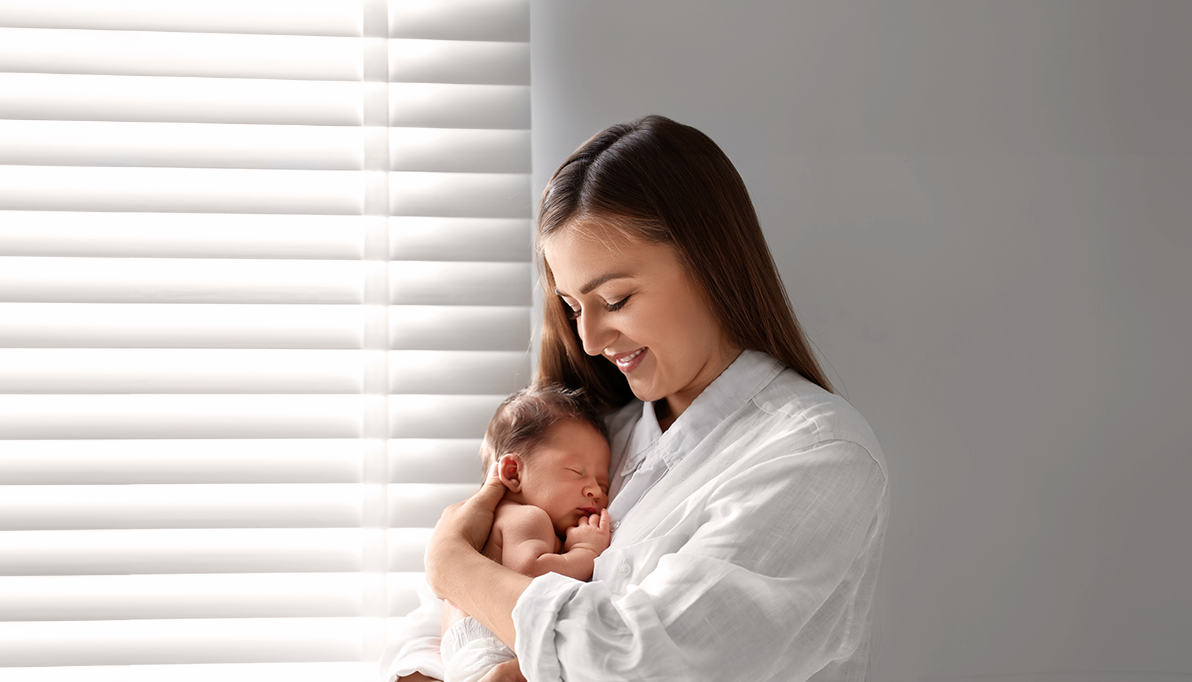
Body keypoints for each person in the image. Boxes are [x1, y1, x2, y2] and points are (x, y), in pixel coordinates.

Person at [383, 115, 889, 682]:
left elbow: (638, 662)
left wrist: (455, 569)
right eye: (574, 308)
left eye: (616, 300)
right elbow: (428, 630)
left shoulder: (816, 455)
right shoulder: (595, 436)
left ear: (709, 261)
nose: (590, 341)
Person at [440, 385, 612, 682]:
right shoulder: (527, 517)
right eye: (576, 471)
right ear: (513, 473)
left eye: (603, 484)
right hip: (492, 652)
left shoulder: (490, 524)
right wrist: (584, 552)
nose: (594, 491)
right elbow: (530, 575)